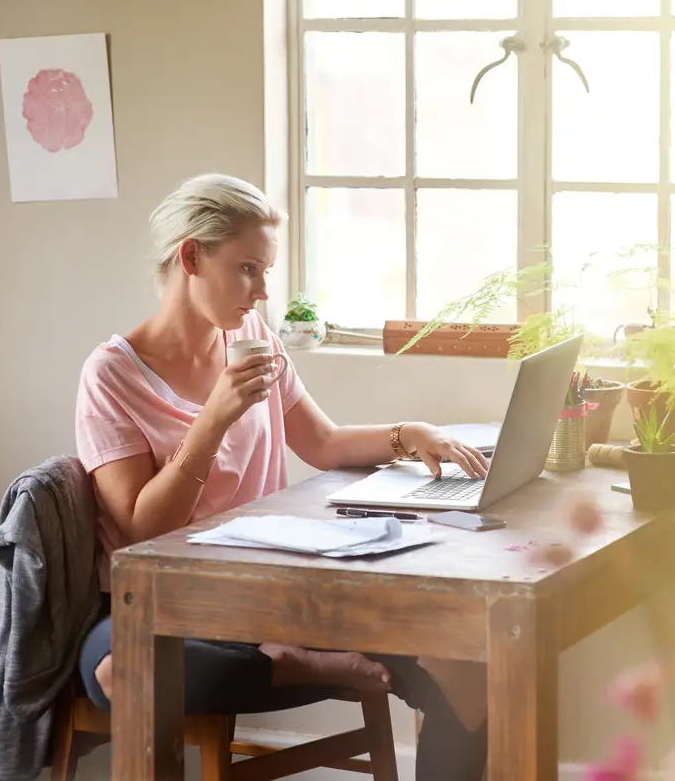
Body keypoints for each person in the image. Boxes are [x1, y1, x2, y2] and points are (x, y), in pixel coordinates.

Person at [73, 173, 490, 779]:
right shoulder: (112, 376)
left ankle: (286, 655)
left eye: (265, 272)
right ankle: (298, 664)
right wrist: (212, 420)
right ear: (191, 256)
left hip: (276, 593)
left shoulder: (253, 339)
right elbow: (142, 529)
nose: (262, 291)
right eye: (247, 269)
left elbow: (320, 443)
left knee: (468, 672)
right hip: (166, 604)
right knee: (122, 669)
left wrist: (408, 434)